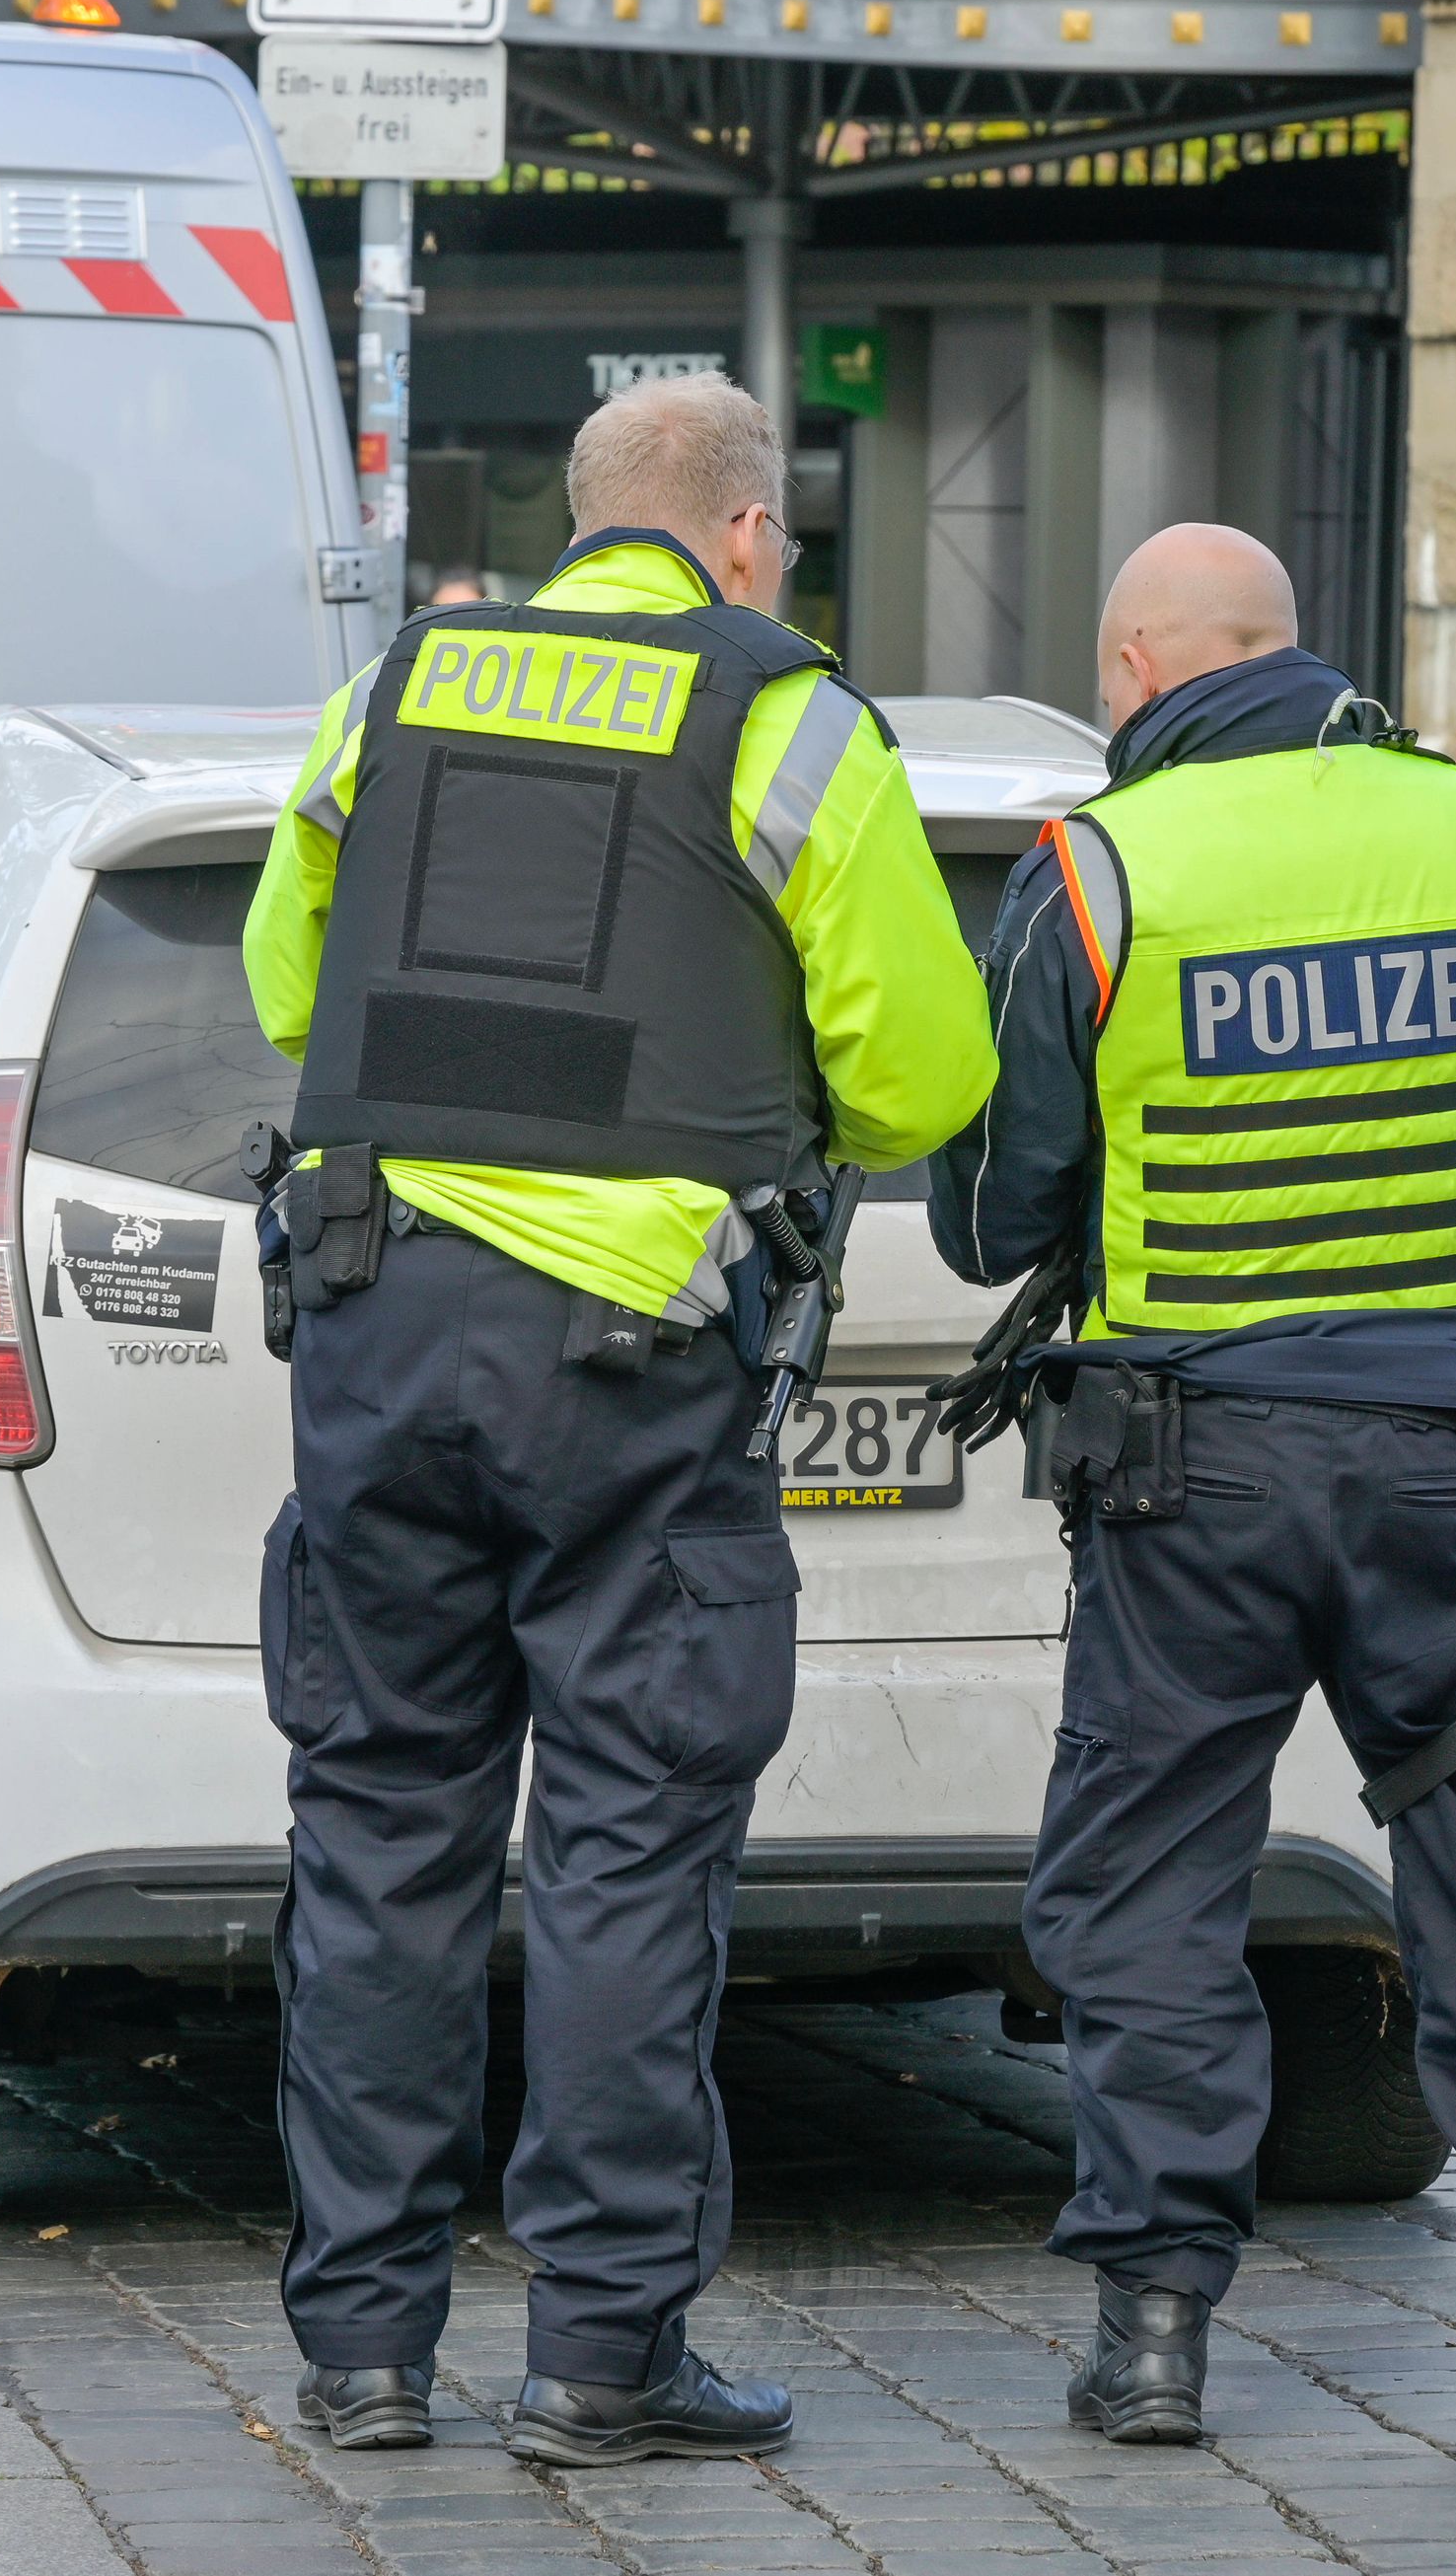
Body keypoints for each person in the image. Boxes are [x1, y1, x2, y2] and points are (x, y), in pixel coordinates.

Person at [243, 371, 994, 2467]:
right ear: (743, 532)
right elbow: (921, 1075)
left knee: (380, 1827)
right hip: (633, 1355)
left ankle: (362, 2354)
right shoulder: (784, 710)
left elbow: (286, 979)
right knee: (622, 1846)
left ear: (584, 522)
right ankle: (597, 2353)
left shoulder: (388, 690)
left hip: (374, 1318)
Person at [926, 523, 1456, 2446]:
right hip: (1450, 1466)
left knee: (1151, 1885)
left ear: (1134, 664)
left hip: (1196, 1480)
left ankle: (1154, 2331)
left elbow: (993, 1203)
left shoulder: (1104, 870)